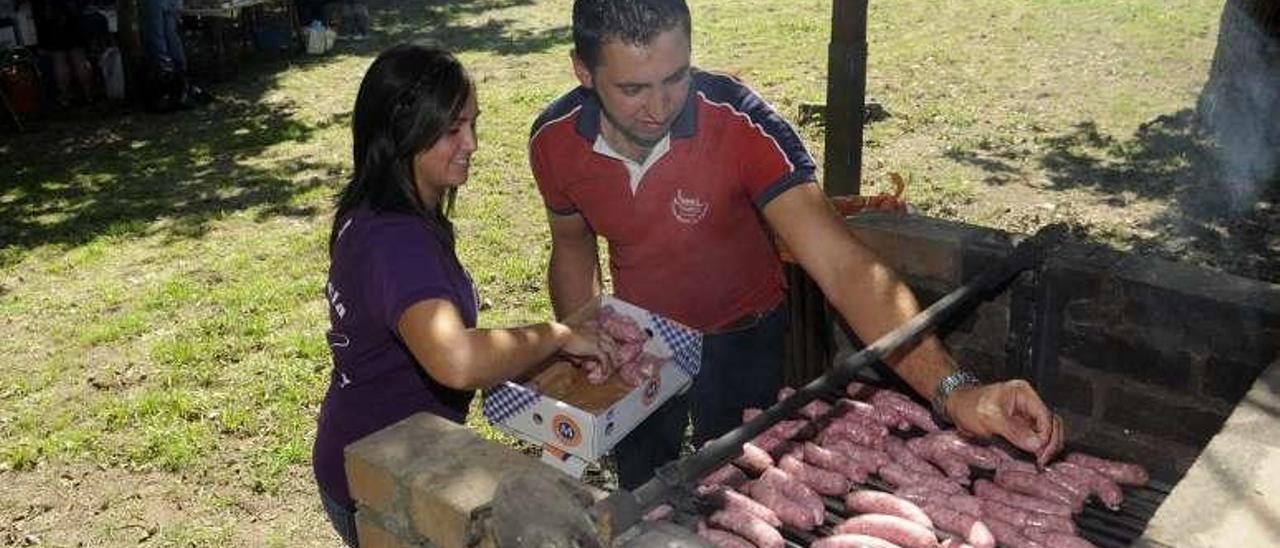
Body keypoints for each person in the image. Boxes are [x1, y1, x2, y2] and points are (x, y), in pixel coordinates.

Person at [528, 0, 1065, 490]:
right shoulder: (554, 140)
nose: (659, 107)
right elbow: (571, 245)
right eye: (632, 89)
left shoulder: (743, 125)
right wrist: (583, 335)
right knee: (642, 485)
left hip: (741, 335)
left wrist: (956, 390)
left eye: (675, 78)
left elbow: (848, 269)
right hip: (640, 343)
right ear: (583, 70)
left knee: (742, 485)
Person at [313, 43, 603, 547]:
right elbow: (456, 359)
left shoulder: (384, 210)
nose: (471, 143)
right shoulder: (396, 241)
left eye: (472, 123)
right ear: (402, 132)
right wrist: (556, 335)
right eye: (451, 130)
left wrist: (522, 362)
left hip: (371, 448)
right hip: (379, 475)